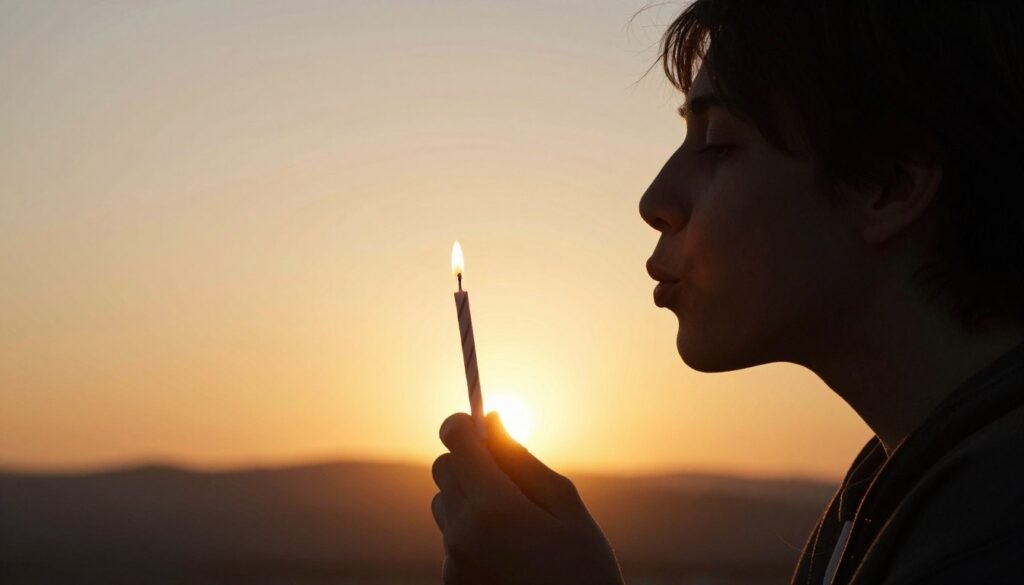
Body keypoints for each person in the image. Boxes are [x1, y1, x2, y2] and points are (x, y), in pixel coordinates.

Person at [430, 1, 1024, 583]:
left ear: (888, 186)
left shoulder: (993, 528)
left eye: (716, 142)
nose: (654, 201)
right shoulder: (892, 488)